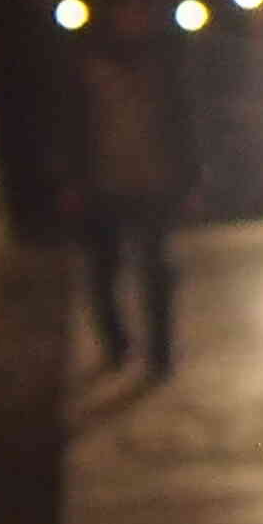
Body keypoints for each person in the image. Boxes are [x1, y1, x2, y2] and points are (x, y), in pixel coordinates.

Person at [70, 29, 190, 376]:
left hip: (152, 182)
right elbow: (72, 123)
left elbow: (182, 120)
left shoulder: (162, 64)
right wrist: (75, 179)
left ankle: (160, 353)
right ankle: (117, 343)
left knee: (157, 271)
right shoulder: (86, 64)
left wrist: (187, 176)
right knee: (104, 270)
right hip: (102, 183)